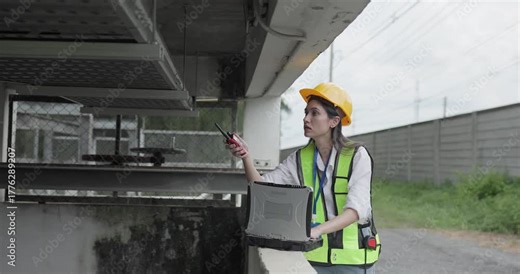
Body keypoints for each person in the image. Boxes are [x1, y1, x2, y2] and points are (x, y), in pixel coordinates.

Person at [226, 82, 381, 274]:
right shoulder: (300, 158)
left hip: (352, 262)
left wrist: (317, 230)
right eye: (306, 112)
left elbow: (356, 211)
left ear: (334, 121)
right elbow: (261, 187)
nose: (306, 119)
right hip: (312, 260)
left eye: (314, 113)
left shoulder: (357, 156)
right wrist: (246, 157)